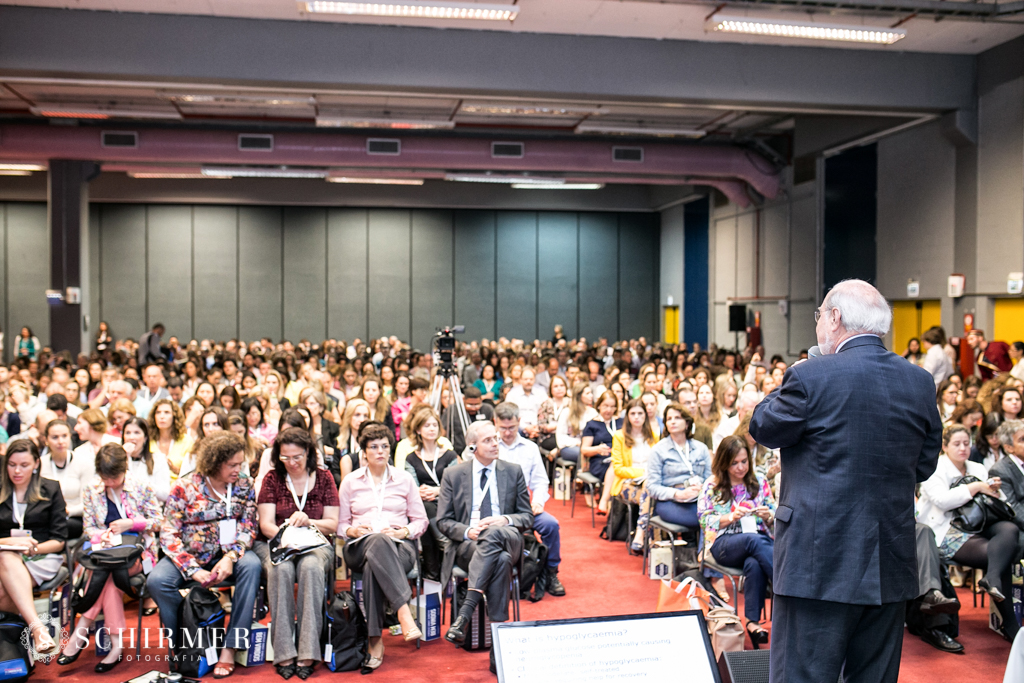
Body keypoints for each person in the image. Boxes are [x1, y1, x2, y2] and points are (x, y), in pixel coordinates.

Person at [750, 278, 942, 683]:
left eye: (819, 314)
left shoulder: (811, 375)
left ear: (834, 318)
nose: (819, 322)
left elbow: (763, 427)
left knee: (801, 675)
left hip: (817, 561)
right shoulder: (919, 381)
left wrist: (797, 369)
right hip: (888, 561)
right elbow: (923, 466)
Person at [149, 431, 260, 679]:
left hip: (229, 554)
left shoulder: (244, 485)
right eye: (231, 465)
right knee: (157, 581)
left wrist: (230, 557)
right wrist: (193, 570)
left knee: (252, 566)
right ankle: (186, 643)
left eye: (240, 463)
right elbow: (168, 535)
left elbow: (249, 527)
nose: (237, 469)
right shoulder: (184, 487)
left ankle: (230, 647)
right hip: (191, 555)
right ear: (213, 463)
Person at [437, 421, 533, 674]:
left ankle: (465, 612)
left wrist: (505, 520)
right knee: (499, 560)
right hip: (471, 544)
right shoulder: (454, 475)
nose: (495, 443)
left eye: (496, 439)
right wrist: (467, 531)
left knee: (495, 537)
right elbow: (443, 521)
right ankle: (498, 650)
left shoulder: (513, 471)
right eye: (488, 440)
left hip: (508, 537)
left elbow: (527, 517)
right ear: (473, 446)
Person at [59, 443, 162, 672]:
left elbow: (158, 522)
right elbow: (89, 527)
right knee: (110, 576)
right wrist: (101, 536)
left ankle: (81, 630)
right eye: (105, 478)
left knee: (107, 575)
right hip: (105, 553)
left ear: (124, 469)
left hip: (138, 552)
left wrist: (131, 523)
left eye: (114, 477)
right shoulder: (92, 489)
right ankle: (115, 647)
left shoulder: (141, 487)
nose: (109, 483)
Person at [918, 424, 1019, 642]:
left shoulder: (977, 467)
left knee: (1009, 529)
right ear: (944, 446)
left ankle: (991, 580)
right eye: (957, 444)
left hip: (977, 524)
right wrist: (976, 488)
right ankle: (1009, 621)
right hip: (947, 530)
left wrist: (994, 490)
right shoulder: (935, 468)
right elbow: (941, 501)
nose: (963, 448)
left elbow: (995, 502)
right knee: (1002, 555)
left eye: (967, 443)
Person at [338, 422, 426, 670]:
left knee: (373, 566)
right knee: (375, 540)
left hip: (399, 545)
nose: (380, 451)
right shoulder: (350, 481)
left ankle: (375, 641)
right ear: (363, 452)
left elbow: (421, 520)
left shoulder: (404, 479)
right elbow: (340, 524)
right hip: (358, 545)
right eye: (374, 447)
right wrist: (352, 530)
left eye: (385, 446)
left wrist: (404, 530)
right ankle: (403, 611)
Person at [254, 428, 339, 680]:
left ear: (309, 454)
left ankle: (308, 651)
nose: (291, 463)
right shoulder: (272, 479)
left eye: (297, 457)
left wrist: (308, 521)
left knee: (310, 568)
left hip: (314, 542)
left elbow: (332, 523)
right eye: (285, 458)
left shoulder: (324, 478)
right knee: (281, 569)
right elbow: (265, 524)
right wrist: (285, 532)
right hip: (279, 542)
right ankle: (283, 652)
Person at [698, 435, 775, 647]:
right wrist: (729, 517)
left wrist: (768, 514)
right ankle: (785, 585)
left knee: (754, 561)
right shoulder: (712, 485)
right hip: (724, 543)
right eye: (734, 463)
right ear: (724, 462)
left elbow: (774, 510)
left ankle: (752, 623)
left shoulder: (759, 481)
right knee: (755, 541)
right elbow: (705, 520)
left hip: (756, 542)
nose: (740, 468)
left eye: (744, 462)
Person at [0, 439, 67, 655]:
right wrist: (10, 543)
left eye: (24, 465)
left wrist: (33, 549)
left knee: (6, 568)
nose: (17, 471)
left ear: (36, 464)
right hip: (5, 554)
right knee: (7, 556)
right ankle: (36, 625)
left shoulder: (51, 488)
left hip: (41, 556)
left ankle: (33, 627)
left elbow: (59, 541)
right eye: (11, 464)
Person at [494, 402, 566, 596]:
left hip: (523, 508)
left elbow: (541, 481)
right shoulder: (490, 446)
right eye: (503, 428)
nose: (507, 433)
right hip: (495, 509)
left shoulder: (530, 448)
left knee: (551, 525)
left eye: (512, 427)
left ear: (519, 422)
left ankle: (551, 572)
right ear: (495, 423)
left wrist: (538, 502)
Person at [403, 407, 458, 581]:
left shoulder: (449, 455)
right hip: (423, 504)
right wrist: (420, 492)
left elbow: (455, 485)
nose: (432, 429)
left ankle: (432, 575)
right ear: (418, 430)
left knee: (425, 516)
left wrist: (437, 490)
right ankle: (445, 546)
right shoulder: (411, 458)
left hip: (447, 503)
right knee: (424, 510)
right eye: (427, 425)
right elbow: (412, 486)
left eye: (435, 425)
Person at [647, 403, 712, 531]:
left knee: (714, 516)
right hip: (671, 501)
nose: (673, 422)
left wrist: (702, 488)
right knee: (708, 519)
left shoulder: (701, 448)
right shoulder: (658, 450)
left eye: (677, 418)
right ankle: (702, 551)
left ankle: (701, 551)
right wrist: (678, 494)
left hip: (699, 498)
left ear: (687, 423)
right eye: (669, 419)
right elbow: (652, 487)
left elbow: (710, 478)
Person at [122, 416, 172, 503]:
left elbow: (165, 494)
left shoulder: (158, 459)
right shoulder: (117, 460)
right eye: (128, 433)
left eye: (137, 433)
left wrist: (144, 485)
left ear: (145, 438)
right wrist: (125, 457)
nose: (131, 437)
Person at [442, 385, 494, 456]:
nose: (473, 408)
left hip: (483, 452)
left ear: (481, 400)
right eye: (469, 404)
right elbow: (442, 433)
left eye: (476, 404)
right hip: (457, 453)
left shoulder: (487, 409)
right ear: (463, 399)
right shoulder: (452, 410)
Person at [555, 381, 598, 464]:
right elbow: (560, 437)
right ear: (579, 396)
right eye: (587, 393)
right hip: (569, 447)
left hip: (587, 446)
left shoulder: (593, 413)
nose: (591, 396)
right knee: (583, 454)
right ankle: (579, 475)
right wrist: (578, 443)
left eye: (591, 393)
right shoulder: (566, 412)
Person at [504, 368, 545, 439]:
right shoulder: (512, 394)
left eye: (531, 379)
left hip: (538, 426)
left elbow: (545, 412)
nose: (528, 381)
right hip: (518, 427)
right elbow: (509, 414)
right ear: (520, 379)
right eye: (525, 379)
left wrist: (535, 427)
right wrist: (526, 428)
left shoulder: (541, 393)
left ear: (534, 379)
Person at [337, 398, 371, 484]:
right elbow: (334, 470)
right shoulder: (339, 440)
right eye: (357, 415)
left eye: (365, 415)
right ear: (349, 417)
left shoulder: (373, 442)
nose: (362, 419)